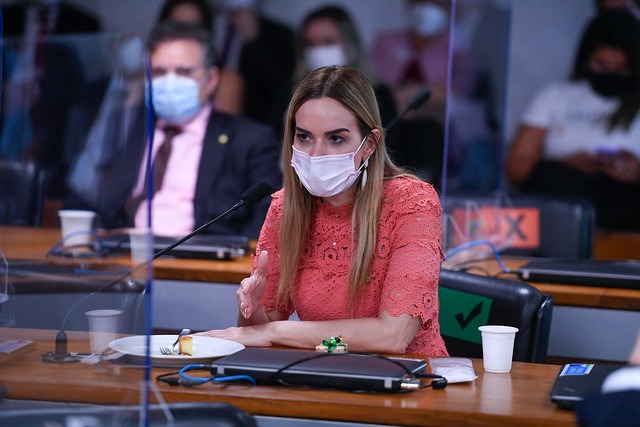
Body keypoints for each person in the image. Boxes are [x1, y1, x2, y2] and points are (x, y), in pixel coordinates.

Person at [195, 66, 448, 356]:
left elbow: (393, 337)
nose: (315, 154)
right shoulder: (284, 207)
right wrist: (252, 312)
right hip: (321, 372)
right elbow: (264, 332)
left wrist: (274, 331)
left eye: (335, 139)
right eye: (304, 137)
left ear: (369, 144)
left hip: (413, 376)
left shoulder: (413, 202)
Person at [65, 21, 281, 239]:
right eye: (159, 72)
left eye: (184, 71)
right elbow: (83, 195)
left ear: (211, 79)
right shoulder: (123, 129)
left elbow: (267, 219)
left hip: (203, 256)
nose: (170, 82)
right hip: (124, 251)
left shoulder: (249, 140)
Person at [505, 11, 640, 231]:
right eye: (602, 65)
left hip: (625, 211)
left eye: (622, 68)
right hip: (564, 205)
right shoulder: (555, 97)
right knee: (551, 178)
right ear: (587, 59)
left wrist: (636, 173)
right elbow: (516, 170)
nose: (611, 74)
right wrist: (568, 163)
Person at [270, 5, 397, 143]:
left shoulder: (378, 95)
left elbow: (390, 148)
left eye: (328, 41)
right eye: (310, 43)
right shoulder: (288, 94)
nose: (318, 50)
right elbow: (278, 143)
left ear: (349, 43)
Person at [157, 0, 244, 115]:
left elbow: (224, 125)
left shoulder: (226, 82)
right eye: (176, 27)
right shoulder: (148, 76)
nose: (184, 36)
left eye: (193, 29)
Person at [216, 0, 295, 126]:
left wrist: (254, 42)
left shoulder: (280, 34)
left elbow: (280, 86)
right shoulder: (206, 22)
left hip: (254, 121)